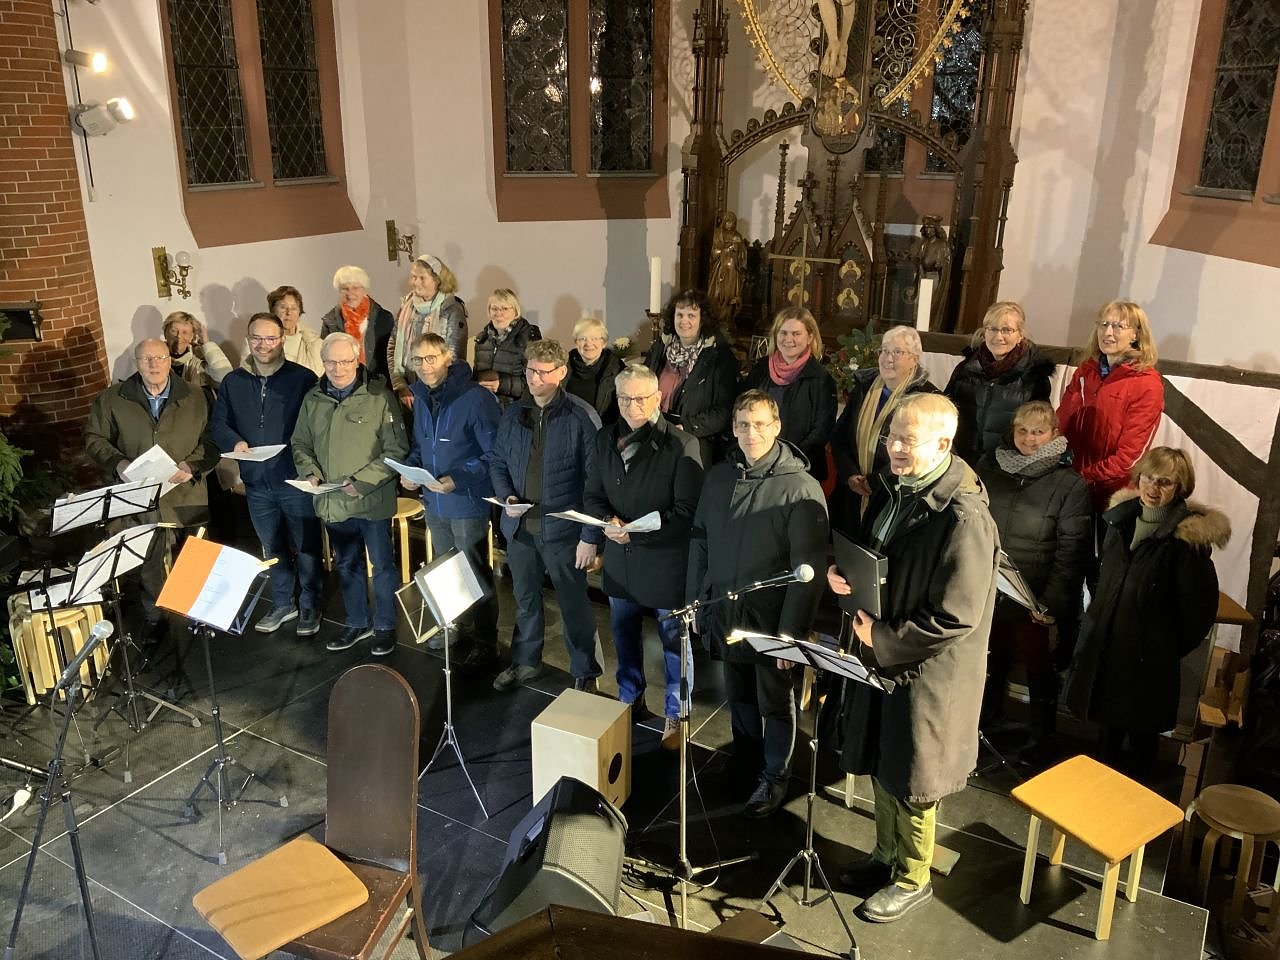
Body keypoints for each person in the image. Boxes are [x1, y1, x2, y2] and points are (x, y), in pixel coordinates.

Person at [828, 393, 999, 923]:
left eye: (908, 440)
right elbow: (878, 556)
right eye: (891, 437)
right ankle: (885, 855)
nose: (895, 449)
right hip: (883, 653)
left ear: (944, 444)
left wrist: (882, 637)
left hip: (928, 672)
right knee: (883, 760)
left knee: (914, 779)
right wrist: (845, 576)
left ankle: (913, 877)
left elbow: (957, 616)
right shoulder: (894, 487)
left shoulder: (965, 518)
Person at [688, 390, 827, 818]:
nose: (752, 433)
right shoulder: (719, 477)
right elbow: (700, 541)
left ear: (777, 426)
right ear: (733, 428)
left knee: (774, 700)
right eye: (744, 424)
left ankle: (775, 776)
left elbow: (809, 568)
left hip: (772, 617)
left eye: (761, 424)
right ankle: (746, 760)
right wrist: (696, 600)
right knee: (738, 693)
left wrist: (790, 634)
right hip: (725, 609)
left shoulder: (800, 488)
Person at [1063, 447, 1228, 779]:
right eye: (1148, 478)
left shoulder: (1186, 542)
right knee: (1106, 740)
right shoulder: (1119, 522)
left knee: (1141, 747)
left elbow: (1199, 612)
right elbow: (1105, 580)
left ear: (1179, 488)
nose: (1153, 488)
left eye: (1164, 482)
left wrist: (1160, 646)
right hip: (1108, 651)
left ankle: (1136, 806)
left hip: (1149, 663)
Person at [584, 365, 704, 748]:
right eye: (624, 398)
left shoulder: (681, 445)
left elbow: (688, 512)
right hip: (621, 559)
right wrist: (607, 521)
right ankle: (629, 698)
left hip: (665, 560)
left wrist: (636, 530)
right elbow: (593, 494)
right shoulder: (605, 439)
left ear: (658, 399)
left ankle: (677, 713)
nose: (631, 405)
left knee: (673, 640)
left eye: (640, 398)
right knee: (623, 633)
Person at [974, 401, 1091, 763]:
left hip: (1034, 594)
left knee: (1037, 665)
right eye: (1022, 430)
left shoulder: (1070, 484)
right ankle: (984, 723)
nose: (1029, 438)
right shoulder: (989, 467)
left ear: (1054, 434)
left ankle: (1042, 739)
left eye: (1038, 431)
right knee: (990, 657)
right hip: (991, 585)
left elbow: (1072, 551)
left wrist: (1050, 603)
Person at [489, 339, 604, 692]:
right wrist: (507, 496)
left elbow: (595, 481)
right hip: (521, 526)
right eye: (529, 370)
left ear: (561, 373)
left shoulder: (581, 417)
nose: (533, 378)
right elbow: (497, 461)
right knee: (525, 600)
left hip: (564, 531)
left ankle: (585, 672)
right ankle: (526, 662)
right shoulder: (514, 414)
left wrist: (590, 537)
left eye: (542, 372)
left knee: (573, 606)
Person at [84, 339, 219, 640]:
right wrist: (118, 463)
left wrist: (192, 465)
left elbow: (213, 439)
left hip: (186, 492)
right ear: (137, 362)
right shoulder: (113, 398)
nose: (153, 364)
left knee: (196, 556)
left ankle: (201, 613)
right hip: (140, 496)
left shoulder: (197, 396)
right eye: (146, 359)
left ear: (170, 360)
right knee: (151, 561)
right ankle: (158, 619)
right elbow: (94, 439)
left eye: (159, 357)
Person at [291, 332, 408, 656]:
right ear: (323, 362)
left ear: (357, 360)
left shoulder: (379, 397)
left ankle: (385, 626)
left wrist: (363, 481)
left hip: (372, 500)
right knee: (347, 564)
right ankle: (357, 622)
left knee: (382, 566)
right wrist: (310, 472)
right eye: (331, 362)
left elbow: (396, 449)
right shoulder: (313, 399)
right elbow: (300, 443)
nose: (338, 368)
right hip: (334, 502)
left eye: (345, 361)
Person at [211, 313, 324, 637]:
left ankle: (310, 605)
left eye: (271, 338)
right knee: (272, 547)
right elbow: (219, 422)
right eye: (257, 338)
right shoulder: (234, 381)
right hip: (257, 482)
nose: (263, 345)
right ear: (248, 340)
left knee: (306, 547)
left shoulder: (302, 378)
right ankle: (283, 602)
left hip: (294, 478)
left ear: (282, 340)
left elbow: (316, 425)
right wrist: (235, 442)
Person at [399, 332, 502, 669]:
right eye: (418, 359)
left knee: (473, 569)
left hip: (466, 499)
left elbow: (494, 454)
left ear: (448, 358)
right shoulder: (421, 397)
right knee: (446, 569)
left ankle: (486, 640)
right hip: (434, 501)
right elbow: (420, 446)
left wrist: (458, 478)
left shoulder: (475, 398)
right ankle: (455, 625)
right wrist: (411, 471)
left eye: (431, 358)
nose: (424, 366)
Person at [1057, 300, 1164, 512]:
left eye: (1118, 326)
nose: (1107, 332)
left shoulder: (1147, 384)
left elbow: (1129, 457)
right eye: (1104, 324)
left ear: (1135, 334)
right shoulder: (1086, 370)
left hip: (1111, 496)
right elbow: (1061, 422)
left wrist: (1085, 478)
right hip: (1070, 484)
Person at [830, 324, 938, 532]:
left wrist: (874, 482)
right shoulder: (865, 387)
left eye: (897, 352)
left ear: (914, 359)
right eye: (885, 351)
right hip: (851, 494)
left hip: (894, 497)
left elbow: (921, 454)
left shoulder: (926, 398)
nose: (888, 358)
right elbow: (840, 434)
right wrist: (849, 474)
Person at [943, 301, 1053, 466]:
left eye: (1007, 330)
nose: (998, 337)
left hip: (1006, 467)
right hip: (962, 462)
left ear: (1020, 335)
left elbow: (1039, 428)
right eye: (992, 329)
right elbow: (944, 413)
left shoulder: (1034, 377)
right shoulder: (965, 369)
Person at [739, 306, 836, 482]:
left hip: (801, 467)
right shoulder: (760, 369)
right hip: (757, 462)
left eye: (796, 334)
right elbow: (742, 409)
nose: (788, 339)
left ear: (810, 337)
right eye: (783, 333)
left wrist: (788, 459)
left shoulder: (820, 378)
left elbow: (822, 429)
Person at [644, 289, 739, 465]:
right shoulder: (661, 348)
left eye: (691, 315)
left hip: (693, 439)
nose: (684, 321)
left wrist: (685, 427)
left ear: (702, 320)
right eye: (679, 315)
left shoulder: (719, 356)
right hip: (654, 433)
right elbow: (642, 385)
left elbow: (724, 411)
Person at [388, 253, 468, 409]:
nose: (416, 282)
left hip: (439, 395)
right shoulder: (407, 306)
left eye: (422, 278)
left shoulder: (451, 309)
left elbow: (454, 357)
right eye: (413, 277)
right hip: (407, 392)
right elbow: (393, 346)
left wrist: (431, 391)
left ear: (437, 280)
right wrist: (400, 384)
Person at [319, 265, 395, 382]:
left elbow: (392, 357)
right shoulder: (330, 321)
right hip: (344, 383)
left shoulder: (384, 318)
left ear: (364, 290)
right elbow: (325, 357)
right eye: (345, 289)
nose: (350, 293)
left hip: (379, 383)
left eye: (355, 288)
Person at [473, 288, 541, 409]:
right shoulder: (482, 340)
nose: (499, 313)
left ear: (516, 311)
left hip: (516, 409)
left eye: (505, 308)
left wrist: (501, 384)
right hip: (483, 406)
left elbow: (537, 382)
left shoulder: (528, 338)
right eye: (494, 309)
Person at [565, 317, 624, 425]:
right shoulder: (563, 365)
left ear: (603, 342)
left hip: (604, 430)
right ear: (576, 342)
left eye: (595, 338)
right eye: (583, 338)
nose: (588, 343)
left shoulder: (617, 368)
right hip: (568, 428)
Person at [258, 285, 323, 375]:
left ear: (299, 312)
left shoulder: (314, 342)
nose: (289, 313)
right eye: (283, 307)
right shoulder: (258, 340)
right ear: (273, 311)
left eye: (294, 308)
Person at [164, 311, 233, 388]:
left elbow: (225, 377)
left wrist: (206, 342)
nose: (179, 336)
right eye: (174, 331)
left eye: (185, 332)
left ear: (191, 337)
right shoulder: (156, 358)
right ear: (165, 333)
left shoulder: (199, 361)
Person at [707, 211, 747, 327]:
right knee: (718, 293)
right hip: (720, 268)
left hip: (733, 270)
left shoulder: (737, 236)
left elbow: (743, 255)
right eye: (728, 221)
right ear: (724, 222)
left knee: (731, 294)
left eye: (732, 222)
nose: (730, 224)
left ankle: (728, 318)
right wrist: (727, 249)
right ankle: (717, 316)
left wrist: (738, 249)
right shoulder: (718, 235)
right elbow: (714, 252)